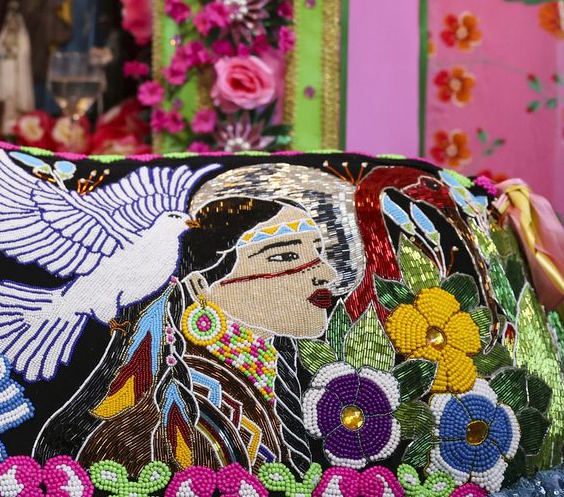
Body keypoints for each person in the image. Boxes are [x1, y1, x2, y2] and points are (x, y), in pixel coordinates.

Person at [35, 192, 340, 472]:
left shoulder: (269, 387)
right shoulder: (156, 425)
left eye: (318, 252)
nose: (327, 274)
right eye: (286, 257)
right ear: (200, 285)